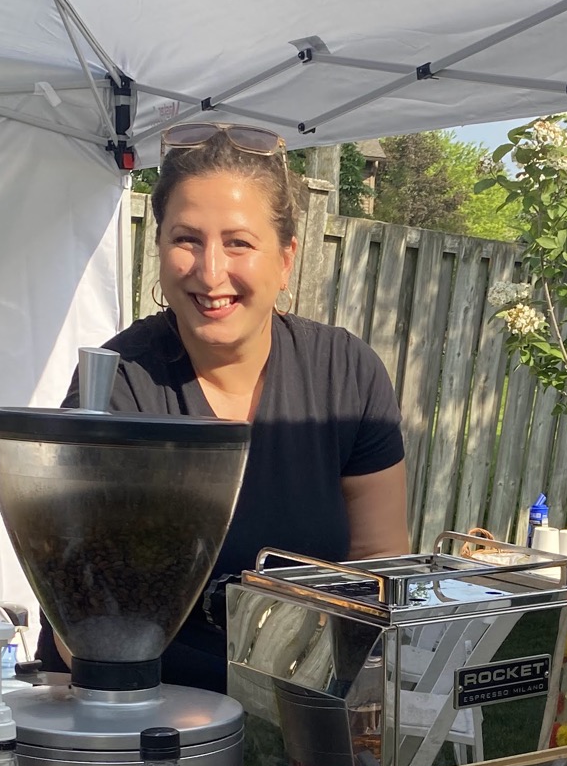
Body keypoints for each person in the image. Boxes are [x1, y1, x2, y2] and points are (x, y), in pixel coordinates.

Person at [38, 120, 409, 691]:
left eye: (238, 242)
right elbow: (78, 622)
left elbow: (378, 567)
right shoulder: (117, 386)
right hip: (148, 716)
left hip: (305, 708)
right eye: (187, 239)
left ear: (286, 260)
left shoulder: (347, 376)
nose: (211, 272)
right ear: (159, 250)